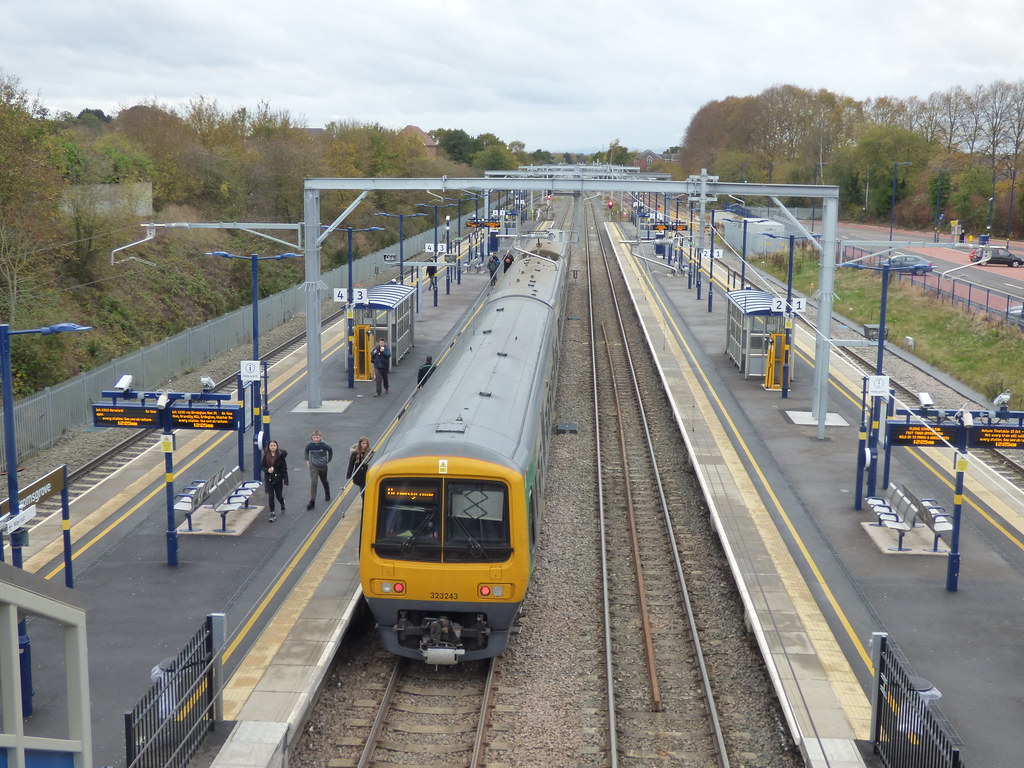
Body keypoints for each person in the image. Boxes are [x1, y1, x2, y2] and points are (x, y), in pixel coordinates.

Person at [304, 430, 333, 510]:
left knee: (324, 481)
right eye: (314, 438)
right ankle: (312, 501)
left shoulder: (324, 445)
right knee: (314, 482)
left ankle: (327, 492)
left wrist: (329, 459)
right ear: (312, 438)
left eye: (317, 437)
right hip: (314, 466)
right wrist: (307, 460)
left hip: (323, 466)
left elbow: (330, 450)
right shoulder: (309, 445)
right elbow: (306, 451)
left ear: (320, 437)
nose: (316, 439)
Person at [261, 440, 289, 522]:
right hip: (269, 479)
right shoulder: (266, 456)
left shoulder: (281, 457)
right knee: (270, 496)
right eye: (271, 445)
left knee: (278, 496)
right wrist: (267, 470)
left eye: (274, 445)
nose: (273, 447)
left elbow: (284, 470)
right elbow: (262, 466)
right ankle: (272, 513)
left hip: (278, 479)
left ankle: (282, 502)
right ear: (269, 447)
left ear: (277, 447)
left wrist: (286, 481)